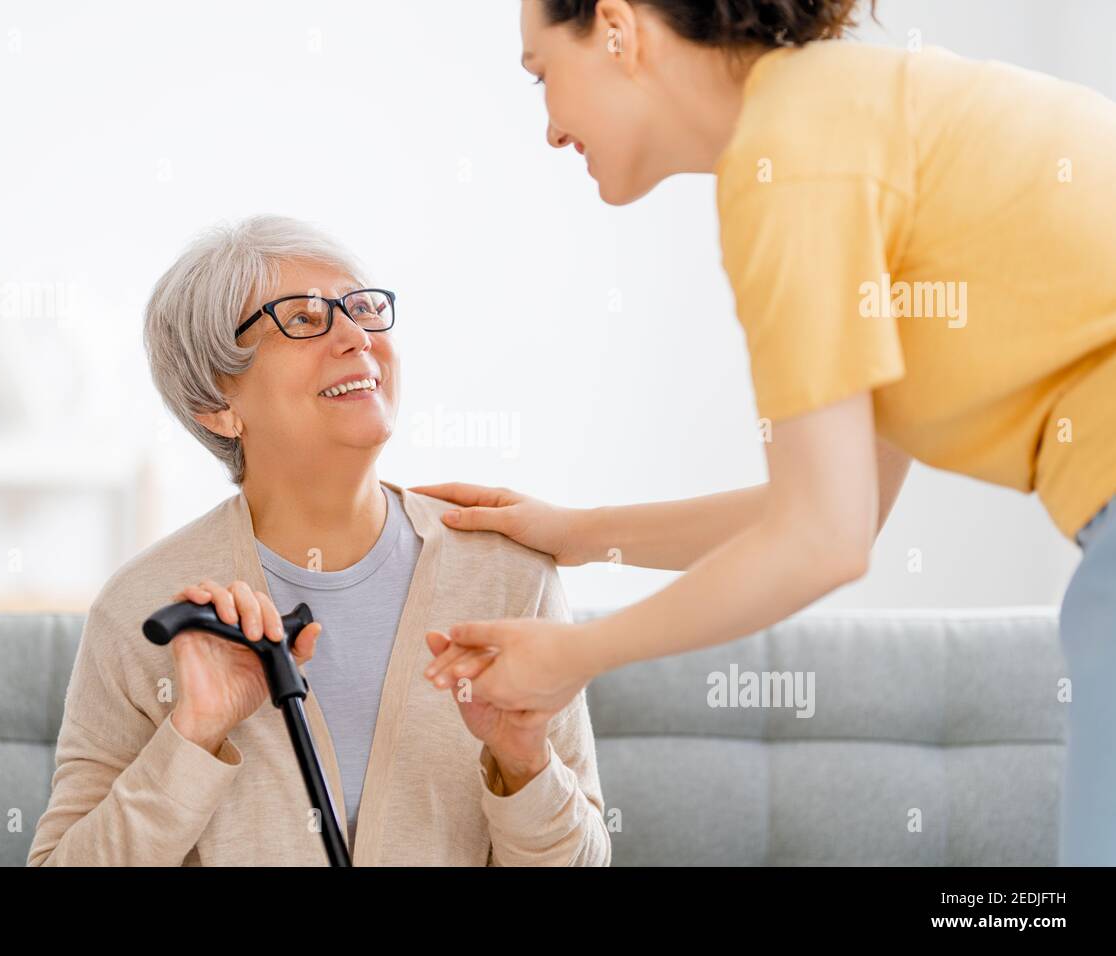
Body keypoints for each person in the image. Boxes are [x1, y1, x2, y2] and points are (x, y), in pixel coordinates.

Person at [418, 0, 1116, 865]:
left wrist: (575, 655)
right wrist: (580, 534)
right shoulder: (841, 115)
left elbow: (820, 541)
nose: (551, 131)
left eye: (540, 76)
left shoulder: (791, 157)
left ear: (615, 28)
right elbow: (837, 515)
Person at [27, 215, 610, 866]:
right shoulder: (147, 612)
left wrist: (524, 766)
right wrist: (192, 735)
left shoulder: (507, 573)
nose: (356, 336)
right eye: (302, 319)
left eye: (361, 309)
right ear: (218, 403)